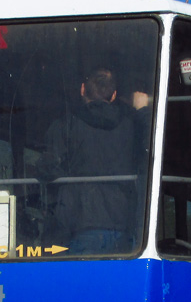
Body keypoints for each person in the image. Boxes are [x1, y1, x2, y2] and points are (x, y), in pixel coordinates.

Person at [38, 67, 145, 254]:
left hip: (80, 222)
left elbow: (47, 168)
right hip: (124, 225)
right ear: (113, 96)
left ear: (82, 90)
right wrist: (142, 110)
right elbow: (149, 154)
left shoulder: (66, 125)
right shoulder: (132, 125)